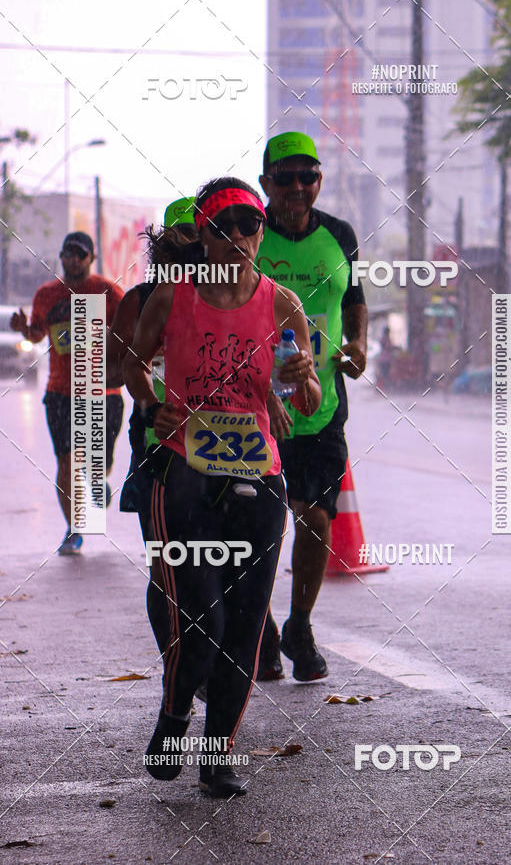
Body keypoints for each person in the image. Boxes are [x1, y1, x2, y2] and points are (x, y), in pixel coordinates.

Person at [123, 177, 320, 797]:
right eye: (223, 226)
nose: (238, 236)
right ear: (204, 236)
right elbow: (132, 362)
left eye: (249, 224)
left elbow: (306, 398)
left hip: (259, 477)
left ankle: (217, 757)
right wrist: (151, 402)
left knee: (244, 627)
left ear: (261, 231)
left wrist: (301, 378)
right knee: (203, 619)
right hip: (185, 473)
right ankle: (175, 713)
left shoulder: (283, 304)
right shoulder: (173, 297)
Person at [256, 131, 368, 682]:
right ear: (265, 183)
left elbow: (355, 299)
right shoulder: (247, 234)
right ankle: (260, 630)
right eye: (286, 178)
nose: (298, 187)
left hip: (320, 406)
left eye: (309, 176)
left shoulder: (340, 235)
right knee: (259, 526)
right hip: (252, 407)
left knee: (316, 517)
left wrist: (359, 344)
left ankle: (299, 624)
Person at [10, 231, 124, 555]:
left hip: (103, 393)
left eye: (80, 254)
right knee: (66, 462)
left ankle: (97, 478)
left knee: (98, 462)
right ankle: (74, 529)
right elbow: (37, 334)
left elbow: (131, 331)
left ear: (92, 258)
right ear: (61, 257)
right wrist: (23, 329)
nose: (73, 260)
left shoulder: (109, 292)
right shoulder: (47, 294)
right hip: (61, 393)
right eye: (67, 253)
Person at [106, 197, 197, 542]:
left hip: (221, 440)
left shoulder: (231, 297)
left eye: (199, 239)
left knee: (217, 552)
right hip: (156, 438)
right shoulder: (140, 300)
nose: (189, 250)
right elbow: (109, 373)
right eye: (180, 238)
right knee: (162, 551)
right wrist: (142, 359)